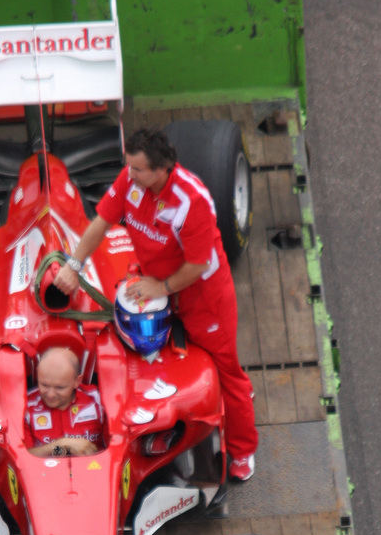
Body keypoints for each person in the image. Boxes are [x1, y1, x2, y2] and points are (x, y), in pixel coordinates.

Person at [53, 126, 258, 481]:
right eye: (128, 167)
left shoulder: (191, 201)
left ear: (162, 169)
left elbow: (197, 265)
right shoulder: (131, 181)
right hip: (158, 286)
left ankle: (243, 450)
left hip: (202, 296)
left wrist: (159, 287)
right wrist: (74, 265)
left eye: (137, 169)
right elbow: (101, 223)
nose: (128, 175)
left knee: (227, 372)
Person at [25, 346, 104, 457]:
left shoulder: (99, 399)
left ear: (77, 381)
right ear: (38, 374)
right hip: (43, 468)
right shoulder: (25, 407)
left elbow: (117, 446)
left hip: (95, 466)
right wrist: (62, 445)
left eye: (59, 388)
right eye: (44, 385)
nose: (51, 394)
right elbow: (22, 457)